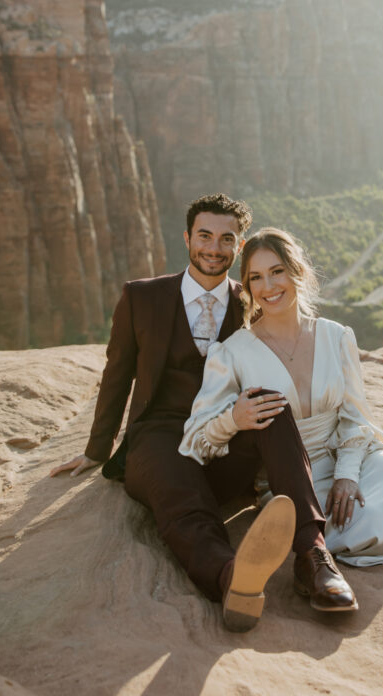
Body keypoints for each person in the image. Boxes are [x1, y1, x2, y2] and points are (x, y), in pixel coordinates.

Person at [50, 194, 356, 632]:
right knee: (180, 490)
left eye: (226, 239)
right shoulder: (142, 297)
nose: (214, 248)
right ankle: (231, 577)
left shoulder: (253, 298)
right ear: (187, 237)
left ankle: (313, 556)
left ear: (239, 244)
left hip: (227, 437)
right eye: (205, 236)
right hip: (159, 437)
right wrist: (97, 449)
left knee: (270, 402)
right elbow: (116, 373)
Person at [180, 227, 383, 568]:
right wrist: (232, 420)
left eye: (277, 272)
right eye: (256, 277)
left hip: (353, 460)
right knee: (365, 522)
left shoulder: (336, 336)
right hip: (293, 478)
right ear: (248, 287)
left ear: (297, 271)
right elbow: (195, 440)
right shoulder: (231, 354)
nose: (268, 287)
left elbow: (355, 417)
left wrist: (348, 474)